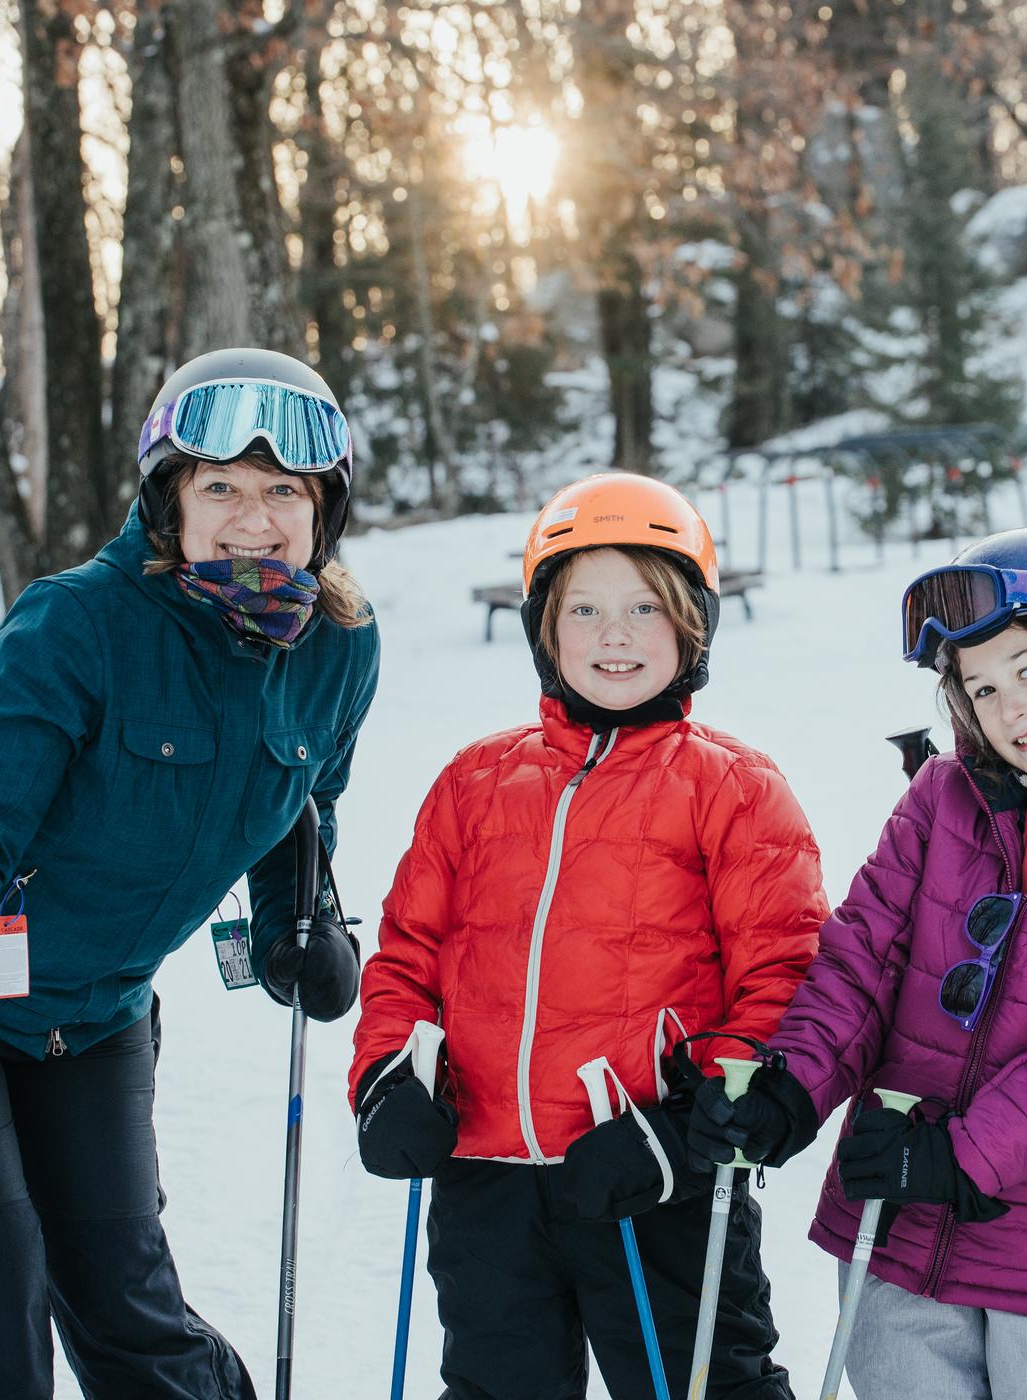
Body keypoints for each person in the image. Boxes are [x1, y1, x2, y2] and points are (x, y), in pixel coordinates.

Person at [0, 347, 381, 1399]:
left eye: (283, 491)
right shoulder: (77, 621)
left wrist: (298, 921)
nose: (252, 518)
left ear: (324, 509)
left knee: (126, 1303)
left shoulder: (339, 647)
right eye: (220, 487)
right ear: (171, 501)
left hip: (93, 1008)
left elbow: (304, 804)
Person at [686, 527, 1027, 1400]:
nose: (1010, 708)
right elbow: (862, 963)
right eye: (982, 688)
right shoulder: (944, 797)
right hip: (894, 1216)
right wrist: (791, 1087)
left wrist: (961, 1156)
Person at [348, 473, 827, 1400]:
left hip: (651, 1177)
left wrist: (687, 1131)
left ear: (691, 625)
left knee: (706, 1386)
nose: (615, 634)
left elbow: (786, 976)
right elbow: (407, 957)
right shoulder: (474, 781)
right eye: (585, 609)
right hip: (487, 1180)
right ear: (545, 630)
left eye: (645, 606)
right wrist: (385, 1080)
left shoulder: (733, 786)